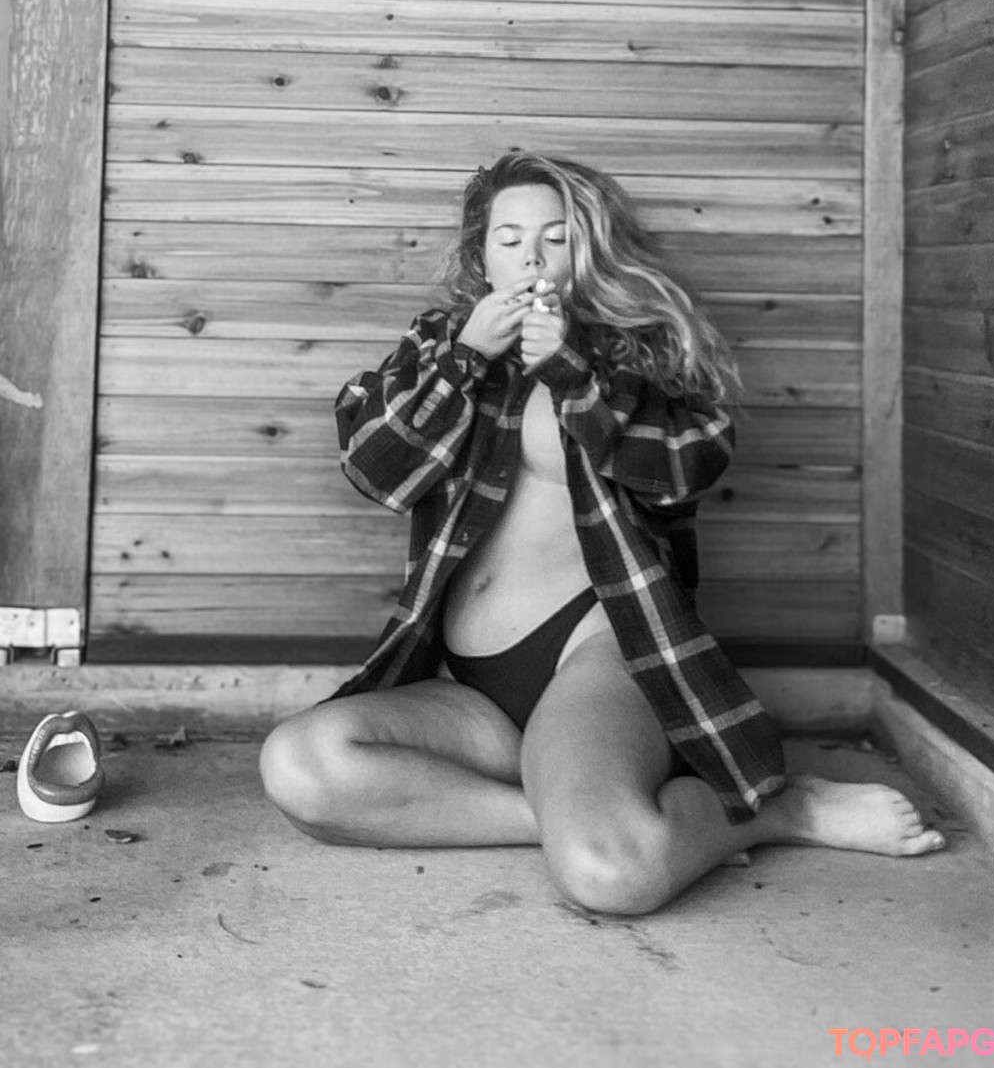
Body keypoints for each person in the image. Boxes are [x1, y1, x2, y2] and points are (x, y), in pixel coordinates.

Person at [260, 152, 945, 915]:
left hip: (593, 657)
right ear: (481, 255)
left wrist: (570, 371)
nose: (531, 256)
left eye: (554, 237)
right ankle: (561, 813)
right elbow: (374, 467)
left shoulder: (633, 348)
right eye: (510, 238)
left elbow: (688, 464)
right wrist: (464, 359)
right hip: (472, 694)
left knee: (610, 873)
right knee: (299, 765)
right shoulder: (440, 342)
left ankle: (788, 809)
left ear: (587, 247)